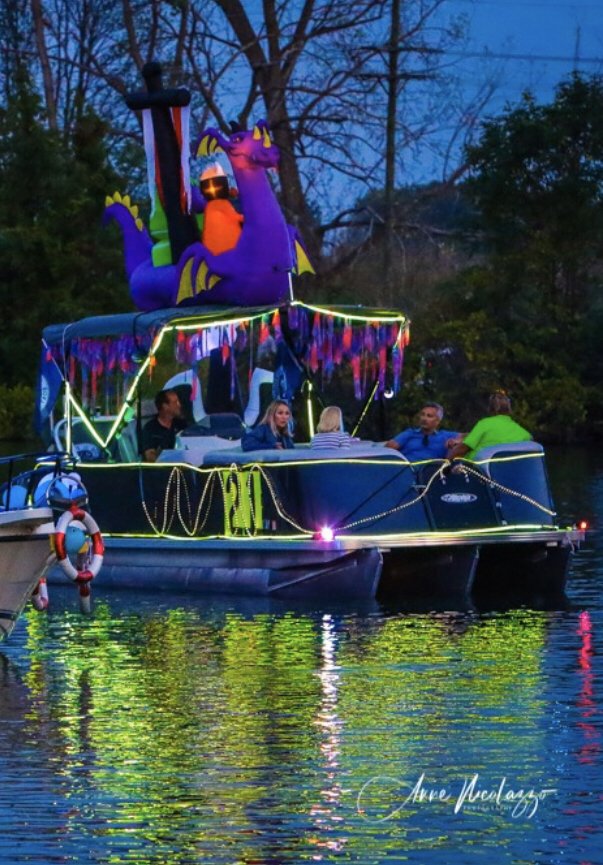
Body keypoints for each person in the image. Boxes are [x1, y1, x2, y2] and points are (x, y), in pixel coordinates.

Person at [448, 391, 532, 461]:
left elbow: (463, 449)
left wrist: (446, 463)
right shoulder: (525, 435)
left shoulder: (484, 424)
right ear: (509, 410)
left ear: (490, 410)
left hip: (478, 475)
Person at [385, 402, 459, 460]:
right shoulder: (409, 433)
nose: (424, 418)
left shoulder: (444, 436)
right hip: (407, 473)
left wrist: (457, 441)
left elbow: (469, 436)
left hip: (432, 475)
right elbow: (386, 450)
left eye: (429, 416)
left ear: (437, 421)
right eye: (422, 414)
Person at [141, 389, 184, 462]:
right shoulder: (150, 428)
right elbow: (150, 456)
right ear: (165, 406)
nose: (179, 405)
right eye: (175, 402)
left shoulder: (181, 425)